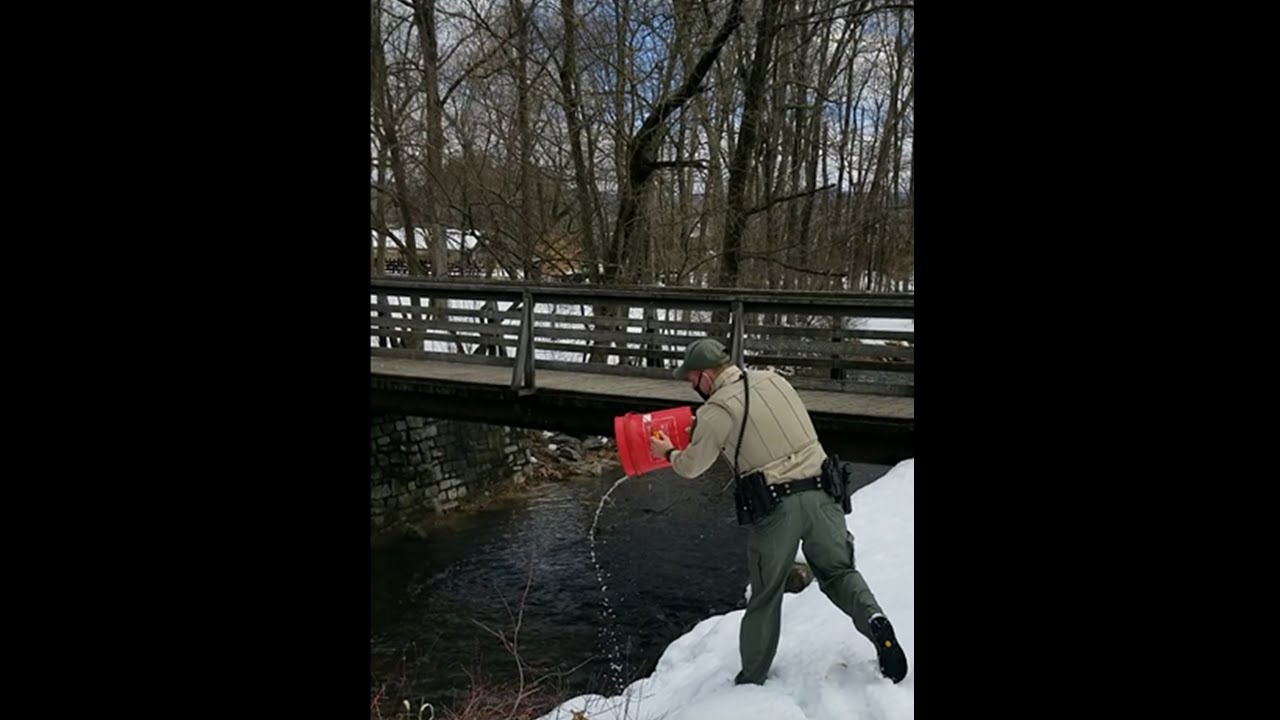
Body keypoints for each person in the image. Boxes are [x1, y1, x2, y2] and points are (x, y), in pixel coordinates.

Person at [648, 337, 908, 686]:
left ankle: (752, 679)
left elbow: (692, 466)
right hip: (825, 494)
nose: (692, 386)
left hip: (777, 507)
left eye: (692, 379)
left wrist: (667, 452)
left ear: (706, 375)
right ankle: (874, 618)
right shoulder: (775, 379)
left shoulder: (715, 410)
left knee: (766, 593)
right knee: (839, 572)